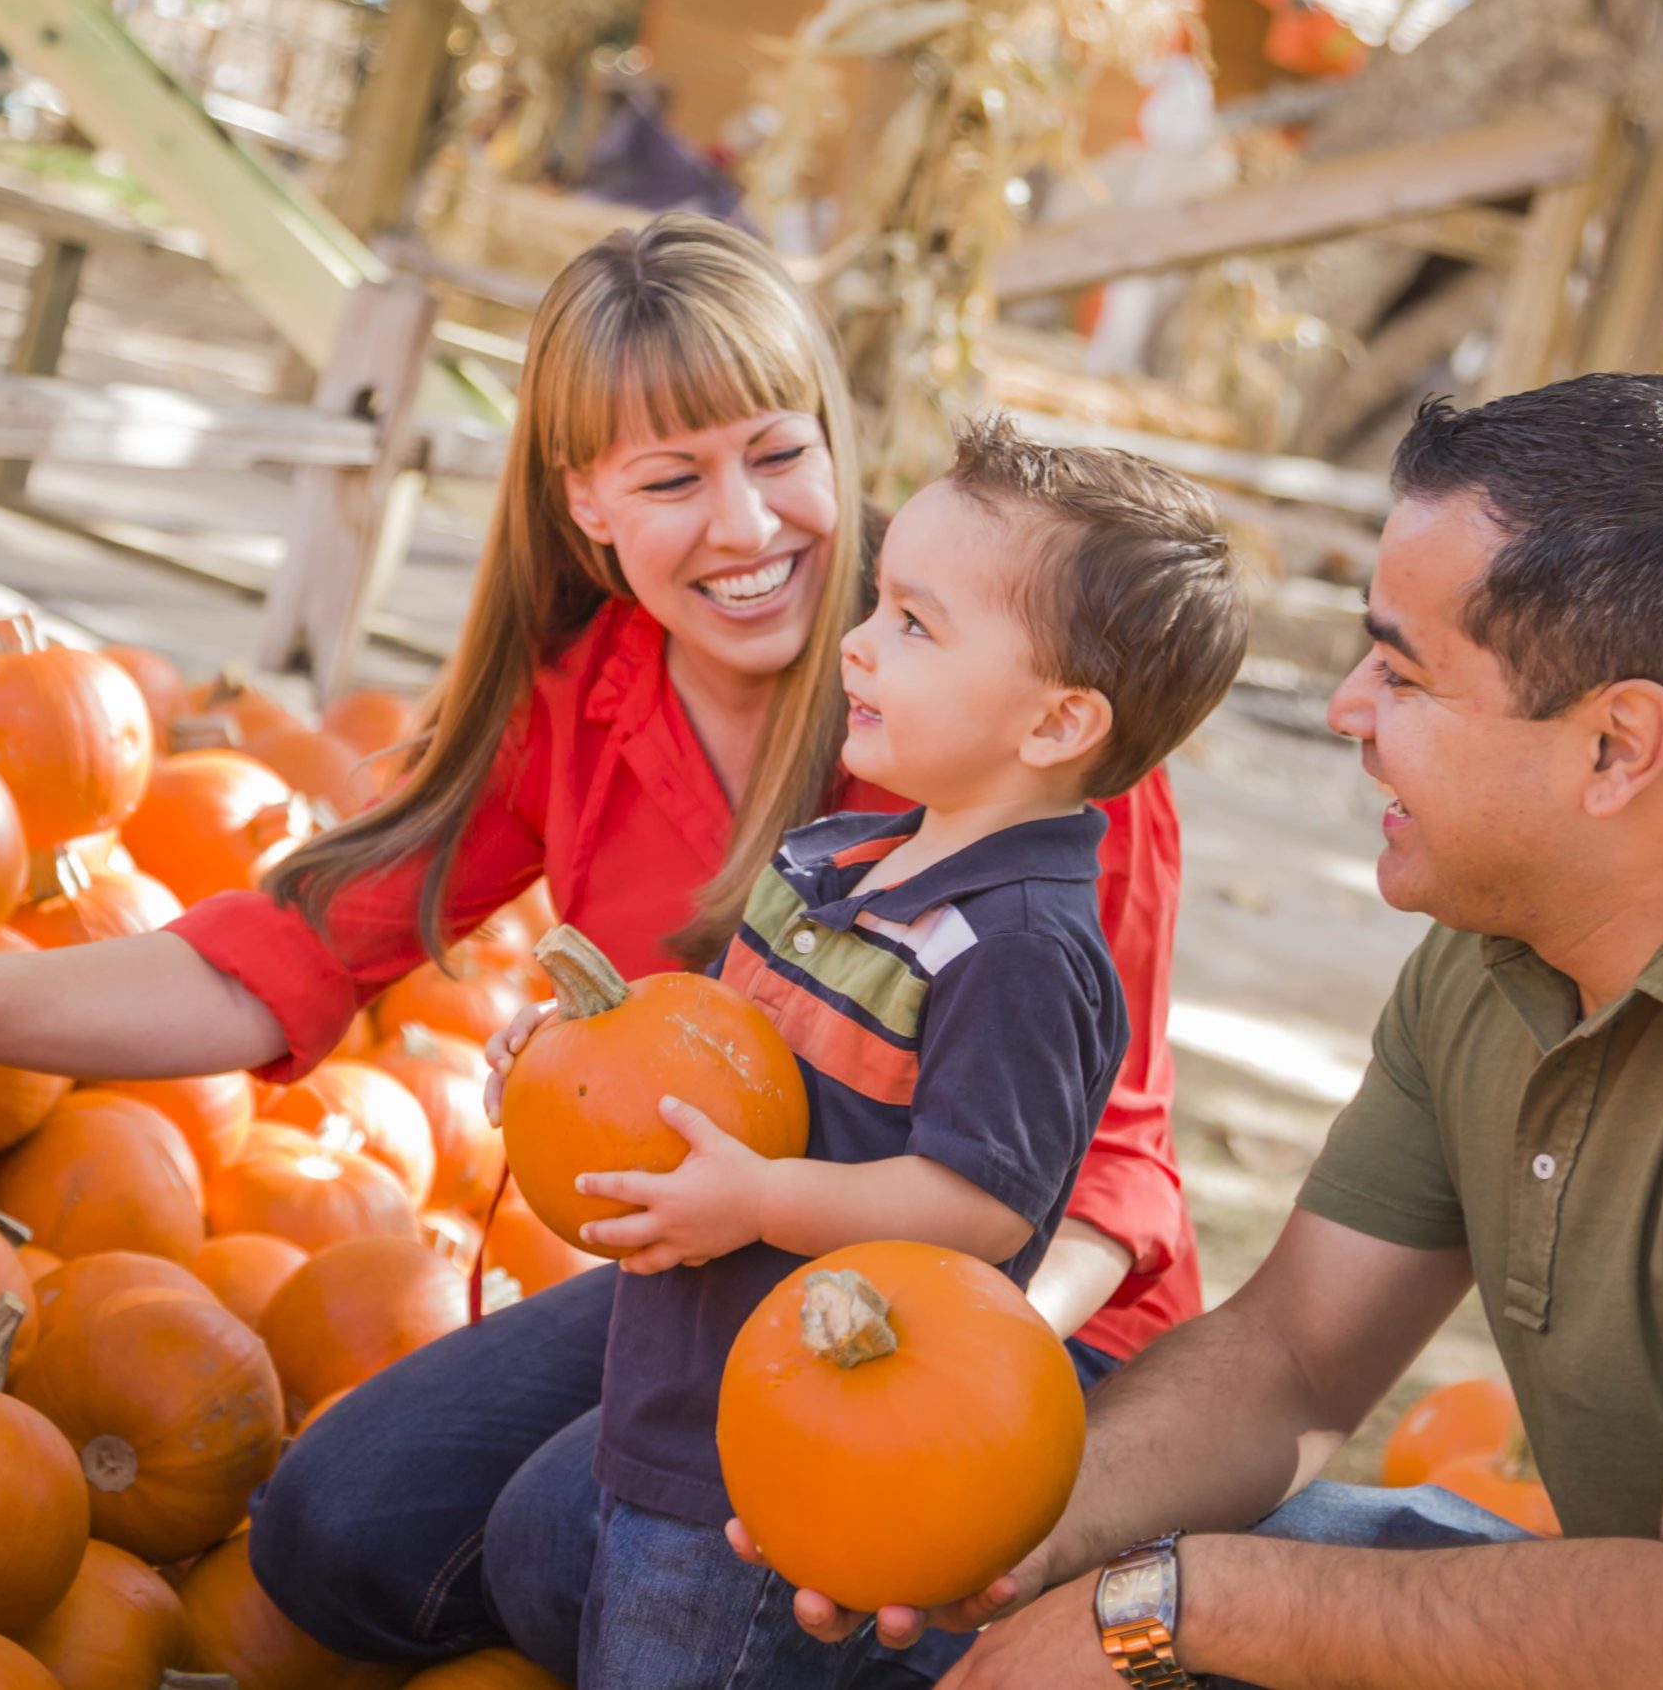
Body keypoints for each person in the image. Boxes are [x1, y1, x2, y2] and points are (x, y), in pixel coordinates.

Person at [0, 214, 1203, 1666]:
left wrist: (950, 1435)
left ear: (833, 440)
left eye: (779, 454)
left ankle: (981, 1639)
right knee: (336, 1529)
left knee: (572, 1533)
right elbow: (268, 958)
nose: (749, 528)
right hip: (720, 1254)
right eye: (670, 479)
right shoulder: (583, 693)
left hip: (995, 1310)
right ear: (583, 502)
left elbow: (1106, 1170)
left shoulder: (1012, 728)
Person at [761, 374, 1663, 1688]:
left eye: (1405, 672)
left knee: (1217, 1596)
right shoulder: (1507, 932)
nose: (1345, 709)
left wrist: (1166, 1602)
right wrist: (996, 1525)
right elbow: (1297, 1354)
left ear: (1617, 746)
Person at [480, 415, 1247, 1687]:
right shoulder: (840, 861)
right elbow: (733, 1059)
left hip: (795, 1448)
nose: (854, 642)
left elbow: (979, 1209)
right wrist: (584, 1049)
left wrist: (762, 1200)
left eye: (913, 625)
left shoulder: (1015, 952)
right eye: (880, 605)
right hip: (686, 1381)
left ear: (1057, 725)